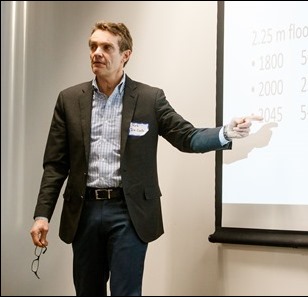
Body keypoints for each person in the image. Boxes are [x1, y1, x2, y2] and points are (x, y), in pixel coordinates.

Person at [29, 21, 262, 296]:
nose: (97, 53)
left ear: (126, 55)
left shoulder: (149, 99)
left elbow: (186, 137)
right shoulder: (69, 100)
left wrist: (226, 132)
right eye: (93, 46)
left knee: (126, 292)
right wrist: (42, 215)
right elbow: (56, 164)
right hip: (84, 212)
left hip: (128, 212)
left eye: (106, 47)